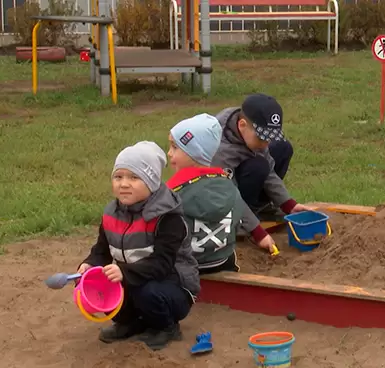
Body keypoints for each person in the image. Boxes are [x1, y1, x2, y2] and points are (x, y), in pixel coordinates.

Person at [78, 141, 200, 350]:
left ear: (151, 182)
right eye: (118, 177)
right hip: (133, 277)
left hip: (172, 285)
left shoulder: (168, 218)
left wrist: (123, 272)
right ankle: (130, 323)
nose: (124, 184)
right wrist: (89, 265)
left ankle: (166, 327)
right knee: (104, 283)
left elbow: (163, 264)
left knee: (147, 291)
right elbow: (102, 251)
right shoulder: (111, 214)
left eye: (134, 177)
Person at [212, 93, 310, 254]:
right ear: (242, 125)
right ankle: (240, 222)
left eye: (269, 137)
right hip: (221, 193)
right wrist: (256, 231)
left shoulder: (249, 129)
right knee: (257, 166)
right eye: (262, 138)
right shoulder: (220, 149)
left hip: (241, 176)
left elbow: (270, 172)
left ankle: (261, 209)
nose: (266, 143)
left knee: (282, 148)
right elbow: (228, 194)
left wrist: (289, 204)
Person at [166, 113, 245, 274]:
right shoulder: (230, 187)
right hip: (221, 262)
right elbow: (237, 221)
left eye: (175, 147)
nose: (169, 153)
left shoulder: (171, 194)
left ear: (194, 153)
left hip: (182, 268)